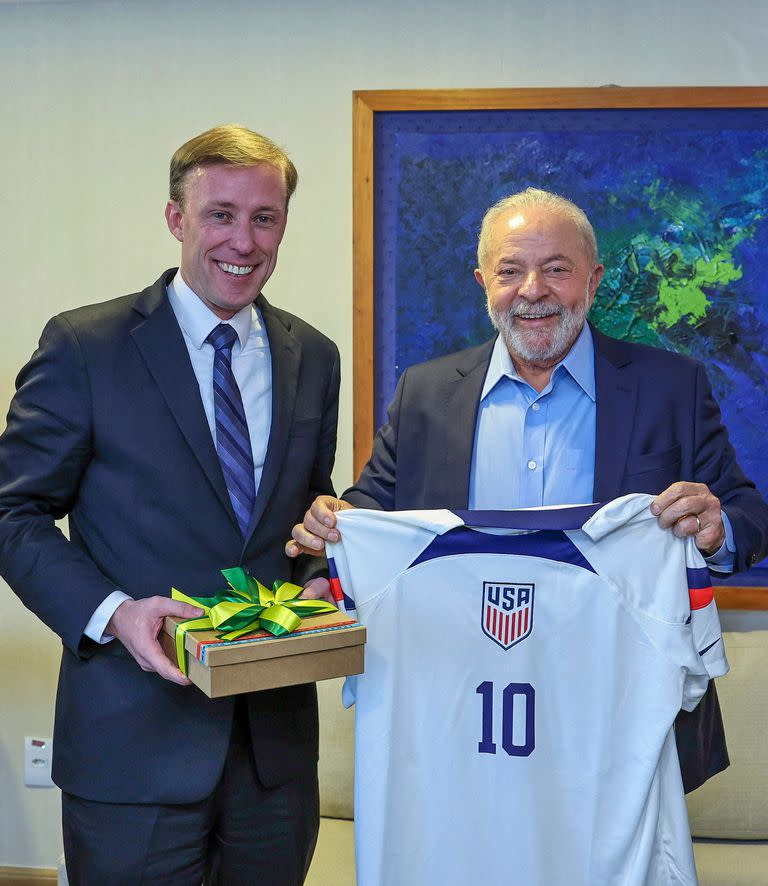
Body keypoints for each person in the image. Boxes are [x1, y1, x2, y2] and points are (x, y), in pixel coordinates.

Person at [289, 186, 768, 793]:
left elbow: (749, 514)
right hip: (461, 718)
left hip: (622, 726)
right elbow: (369, 509)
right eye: (510, 271)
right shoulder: (426, 394)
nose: (533, 290)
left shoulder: (670, 386)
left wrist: (718, 528)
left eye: (557, 269)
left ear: (592, 280)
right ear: (483, 281)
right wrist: (331, 530)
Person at [0, 124, 340, 885]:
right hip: (131, 749)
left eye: (265, 217)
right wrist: (113, 611)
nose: (243, 241)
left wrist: (324, 566)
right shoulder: (86, 346)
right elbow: (11, 513)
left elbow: (303, 520)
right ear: (176, 219)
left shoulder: (313, 355)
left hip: (274, 760)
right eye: (220, 214)